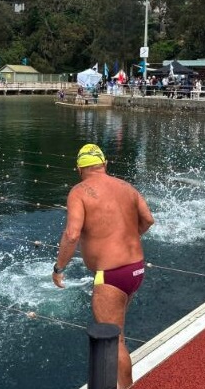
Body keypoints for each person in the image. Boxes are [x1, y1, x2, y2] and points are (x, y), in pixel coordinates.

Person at [52, 144, 154, 389]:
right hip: (135, 269)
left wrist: (59, 268)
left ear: (78, 168)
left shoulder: (78, 192)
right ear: (104, 164)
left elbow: (72, 234)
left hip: (111, 275)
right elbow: (148, 219)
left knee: (114, 341)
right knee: (118, 334)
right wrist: (127, 237)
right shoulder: (127, 187)